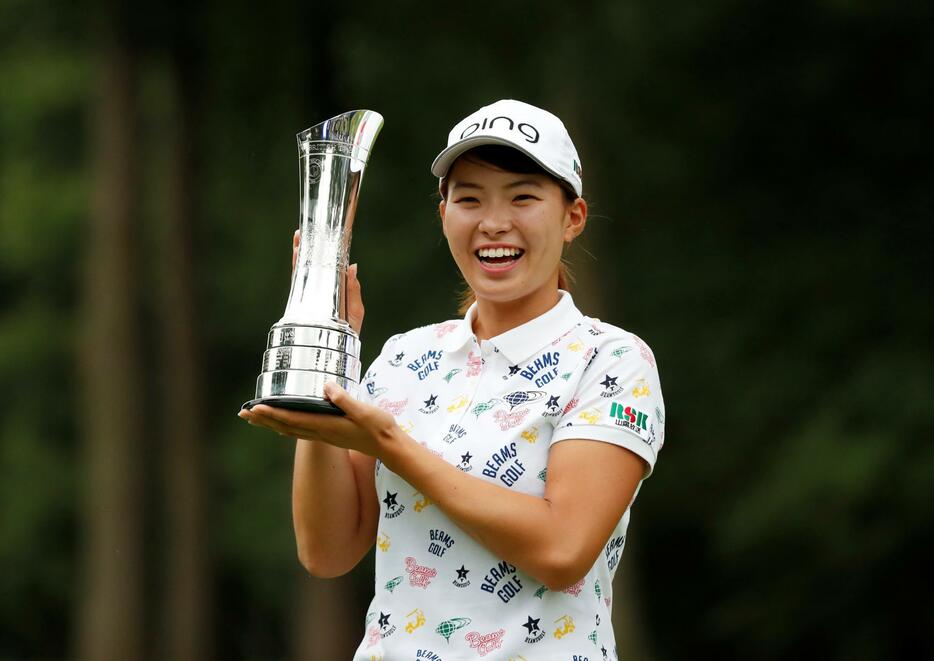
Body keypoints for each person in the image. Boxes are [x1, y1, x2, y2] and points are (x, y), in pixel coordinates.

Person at [239, 99, 666, 660]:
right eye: (469, 199)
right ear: (443, 216)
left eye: (523, 197)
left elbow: (563, 549)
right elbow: (328, 551)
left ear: (572, 218)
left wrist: (388, 444)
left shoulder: (611, 361)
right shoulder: (405, 356)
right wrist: (325, 392)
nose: (493, 222)